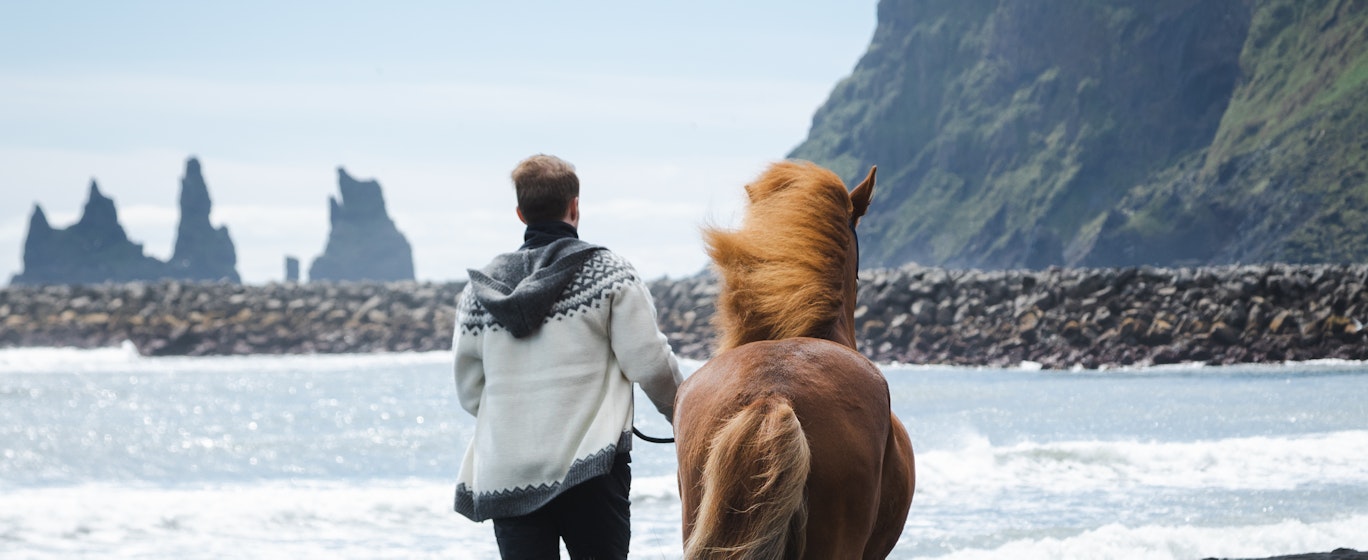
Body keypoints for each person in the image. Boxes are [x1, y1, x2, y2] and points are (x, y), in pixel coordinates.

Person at [452, 154, 683, 559]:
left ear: (521, 213)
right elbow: (649, 364)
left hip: (508, 476)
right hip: (590, 472)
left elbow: (471, 393)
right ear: (575, 206)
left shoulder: (478, 294)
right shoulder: (608, 274)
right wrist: (682, 415)